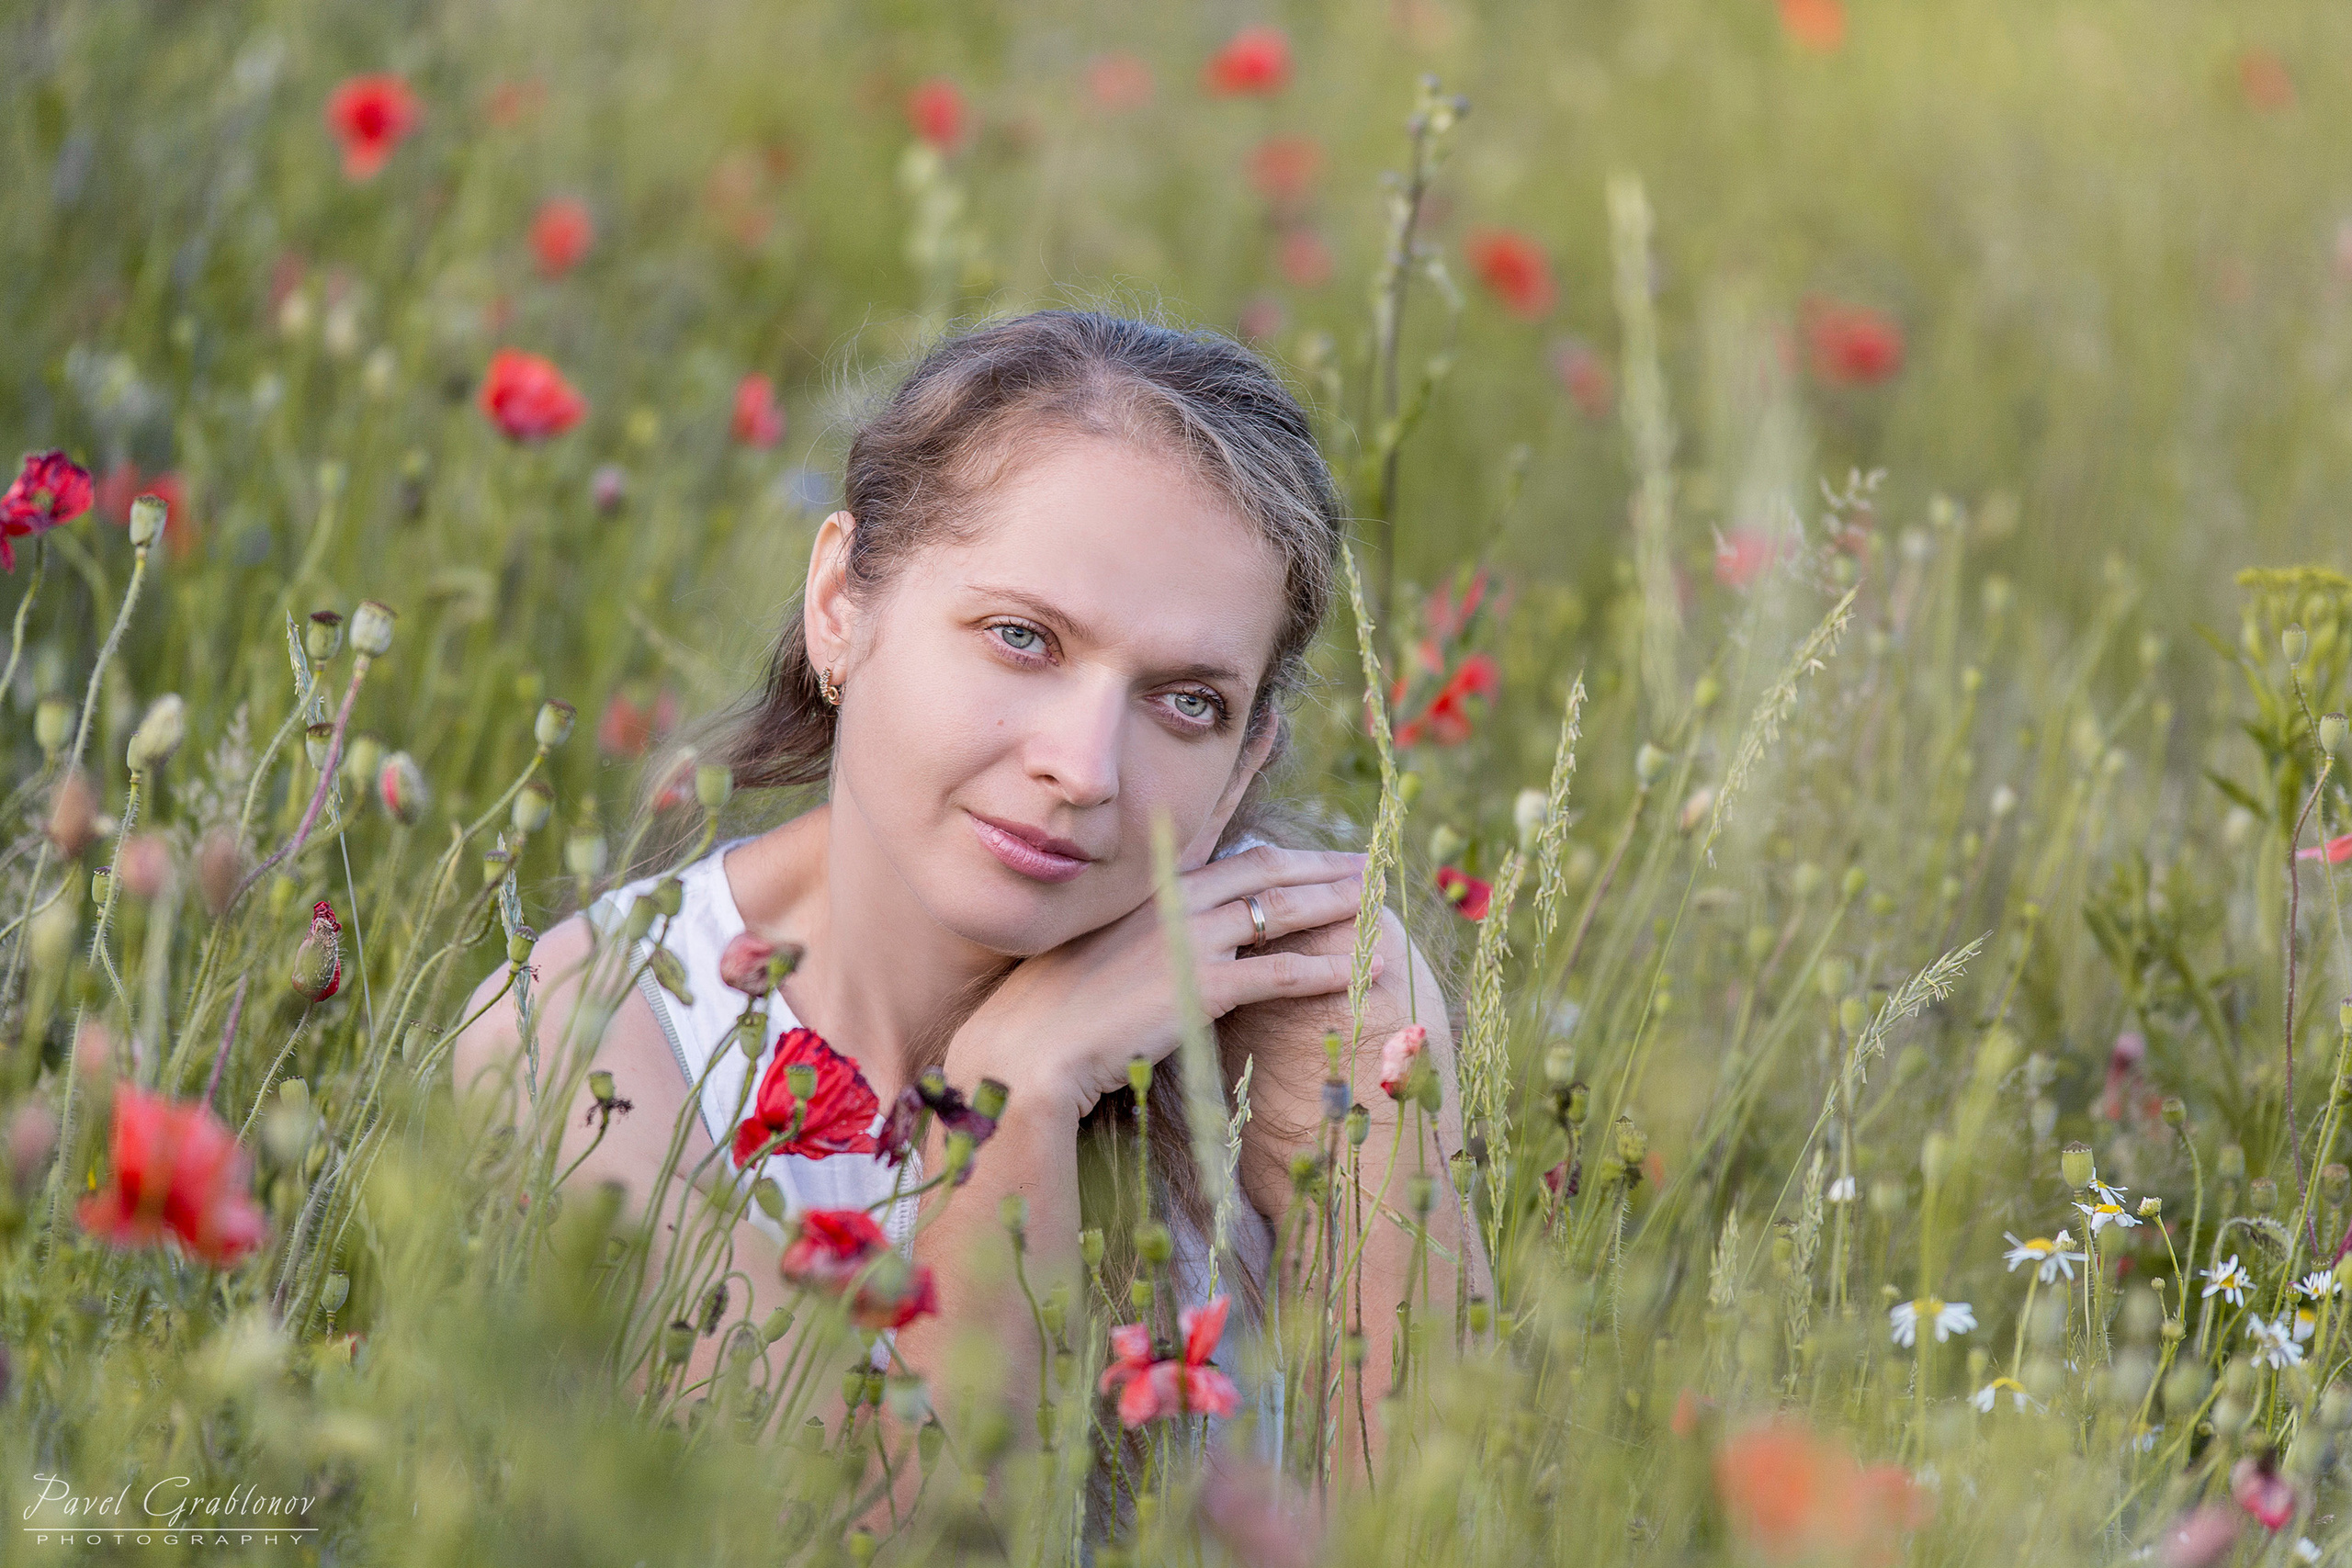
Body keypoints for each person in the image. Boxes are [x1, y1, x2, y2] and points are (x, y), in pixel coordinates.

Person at [449, 309, 1482, 1484]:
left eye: (1188, 701)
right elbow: (863, 1532)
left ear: (1244, 762)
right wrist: (1012, 1102)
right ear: (840, 601)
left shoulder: (1308, 1012)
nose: (1083, 768)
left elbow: (1439, 1529)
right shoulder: (588, 1040)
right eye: (1022, 637)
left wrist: (1379, 1158)